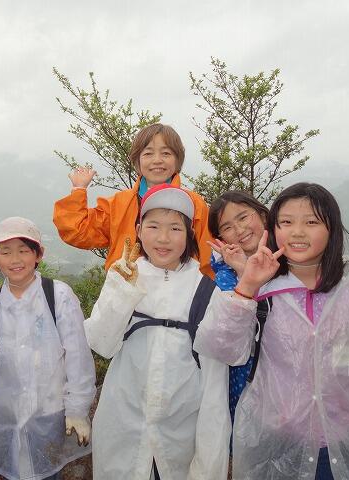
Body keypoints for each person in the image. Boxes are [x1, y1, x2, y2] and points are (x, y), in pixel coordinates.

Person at [195, 182, 349, 480]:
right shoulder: (261, 289)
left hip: (340, 446)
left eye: (311, 222)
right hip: (272, 446)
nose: (297, 232)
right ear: (274, 228)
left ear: (332, 228)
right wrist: (247, 286)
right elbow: (220, 348)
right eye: (286, 222)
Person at [85, 184, 229, 480]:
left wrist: (209, 465)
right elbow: (101, 343)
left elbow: (214, 385)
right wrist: (123, 291)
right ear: (138, 230)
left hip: (181, 432)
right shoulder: (123, 273)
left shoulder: (205, 288)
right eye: (153, 226)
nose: (163, 238)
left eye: (175, 228)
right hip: (123, 425)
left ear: (189, 234)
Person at [0, 217, 96, 480]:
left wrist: (78, 409)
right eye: (6, 252)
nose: (15, 259)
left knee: (48, 474)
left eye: (24, 250)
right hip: (9, 414)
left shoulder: (58, 295)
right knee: (17, 472)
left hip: (49, 411)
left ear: (38, 255)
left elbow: (78, 356)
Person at [53, 123, 214, 277]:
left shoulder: (193, 204)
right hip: (125, 289)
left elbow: (208, 257)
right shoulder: (119, 204)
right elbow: (78, 232)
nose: (157, 160)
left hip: (179, 291)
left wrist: (203, 293)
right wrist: (78, 190)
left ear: (177, 160)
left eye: (166, 153)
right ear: (137, 160)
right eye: (148, 153)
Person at [206, 190, 269, 425]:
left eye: (243, 217)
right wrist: (244, 272)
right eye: (227, 227)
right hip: (245, 383)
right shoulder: (224, 278)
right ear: (221, 238)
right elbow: (225, 343)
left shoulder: (292, 260)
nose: (239, 229)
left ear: (262, 215)